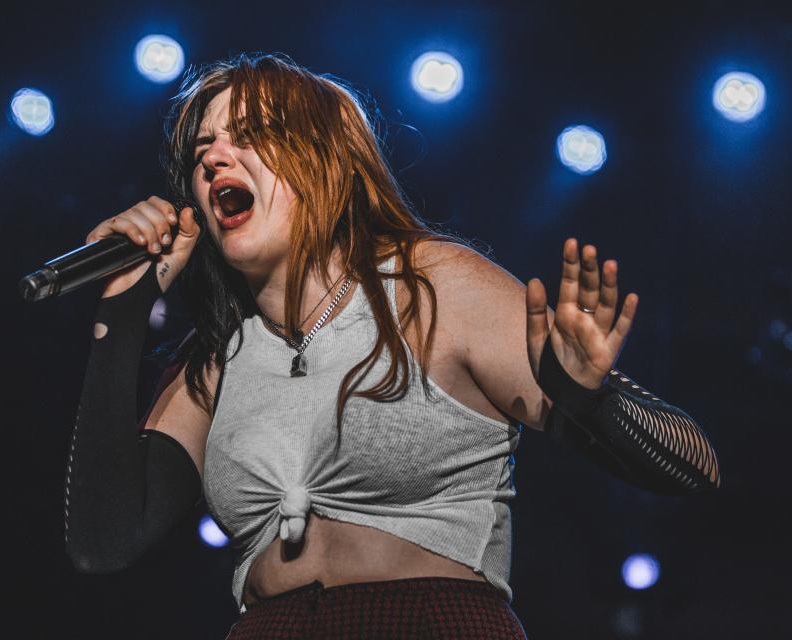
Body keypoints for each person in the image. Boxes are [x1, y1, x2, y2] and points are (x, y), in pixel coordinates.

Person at [63, 52, 720, 639]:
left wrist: (590, 399)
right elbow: (105, 542)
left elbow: (696, 467)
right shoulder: (214, 358)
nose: (214, 157)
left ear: (327, 159)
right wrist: (121, 315)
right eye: (204, 145)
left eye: (252, 136)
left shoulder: (434, 287)